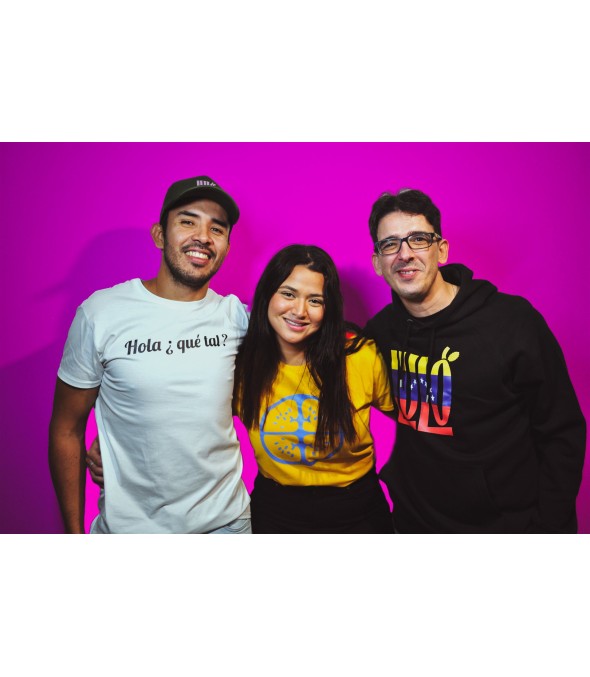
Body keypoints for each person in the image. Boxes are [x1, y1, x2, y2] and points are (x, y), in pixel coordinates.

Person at [364, 188, 586, 533]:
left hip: (507, 529)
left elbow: (562, 433)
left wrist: (548, 530)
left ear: (441, 250)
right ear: (378, 263)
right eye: (390, 244)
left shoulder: (512, 322)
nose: (404, 254)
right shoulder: (380, 333)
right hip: (415, 527)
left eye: (418, 239)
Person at [49, 175, 251, 534]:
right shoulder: (101, 313)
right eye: (188, 221)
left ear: (226, 246)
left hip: (227, 525)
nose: (203, 236)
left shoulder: (237, 317)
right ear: (159, 235)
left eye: (217, 228)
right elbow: (66, 428)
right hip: (130, 531)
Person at [234, 244, 395, 533]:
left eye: (315, 300)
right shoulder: (240, 366)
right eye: (288, 294)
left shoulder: (360, 356)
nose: (299, 311)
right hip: (276, 510)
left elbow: (413, 425)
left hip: (357, 510)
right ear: (267, 295)